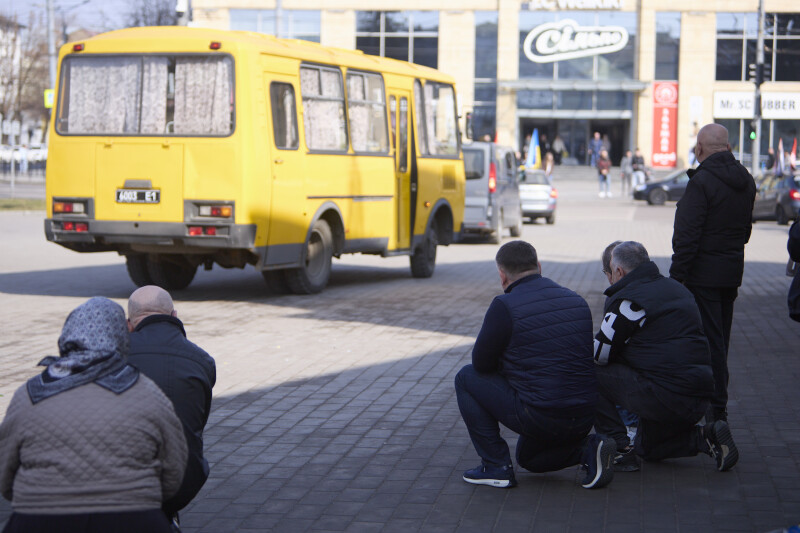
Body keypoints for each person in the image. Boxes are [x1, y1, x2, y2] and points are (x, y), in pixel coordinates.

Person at [0, 297, 187, 533]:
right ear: (122, 337)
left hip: (40, 519)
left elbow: (5, 477)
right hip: (133, 519)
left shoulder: (29, 394)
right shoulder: (147, 392)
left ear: (67, 335)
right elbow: (173, 475)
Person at [454, 240, 615, 491]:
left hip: (541, 414)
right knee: (530, 459)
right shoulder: (576, 301)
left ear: (502, 275)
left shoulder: (504, 305)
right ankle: (588, 449)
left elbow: (481, 364)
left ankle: (495, 466)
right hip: (583, 415)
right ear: (539, 266)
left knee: (466, 377)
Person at [594, 241, 739, 472]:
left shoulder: (628, 301)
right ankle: (705, 436)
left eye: (609, 273)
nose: (610, 279)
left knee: (589, 372)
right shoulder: (676, 289)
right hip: (698, 397)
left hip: (664, 396)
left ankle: (621, 449)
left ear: (618, 272)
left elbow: (600, 355)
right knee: (647, 448)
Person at [670, 123, 756, 424]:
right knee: (721, 339)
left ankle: (715, 412)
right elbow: (745, 232)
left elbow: (687, 238)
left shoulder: (701, 182)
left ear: (699, 150)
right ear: (729, 148)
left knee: (708, 344)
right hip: (730, 274)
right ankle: (715, 407)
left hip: (701, 276)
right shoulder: (746, 180)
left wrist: (675, 278)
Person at [127, 286, 217, 521]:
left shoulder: (114, 356)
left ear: (129, 323)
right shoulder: (202, 360)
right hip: (186, 478)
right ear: (174, 316)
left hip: (125, 481)